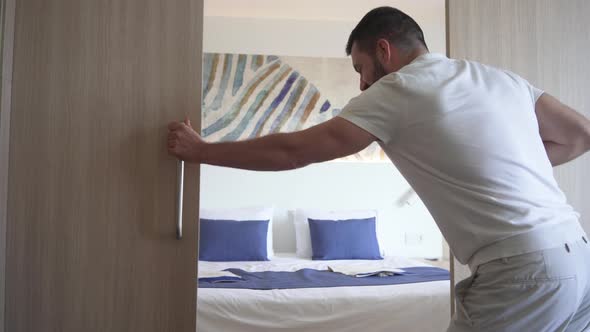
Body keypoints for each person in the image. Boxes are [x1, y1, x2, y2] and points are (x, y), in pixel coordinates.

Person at [168, 6, 590, 332]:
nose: (361, 84)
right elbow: (578, 136)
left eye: (359, 68)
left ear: (384, 51)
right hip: (578, 257)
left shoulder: (400, 88)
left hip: (524, 270)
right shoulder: (501, 80)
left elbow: (295, 152)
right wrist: (497, 168)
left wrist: (201, 151)